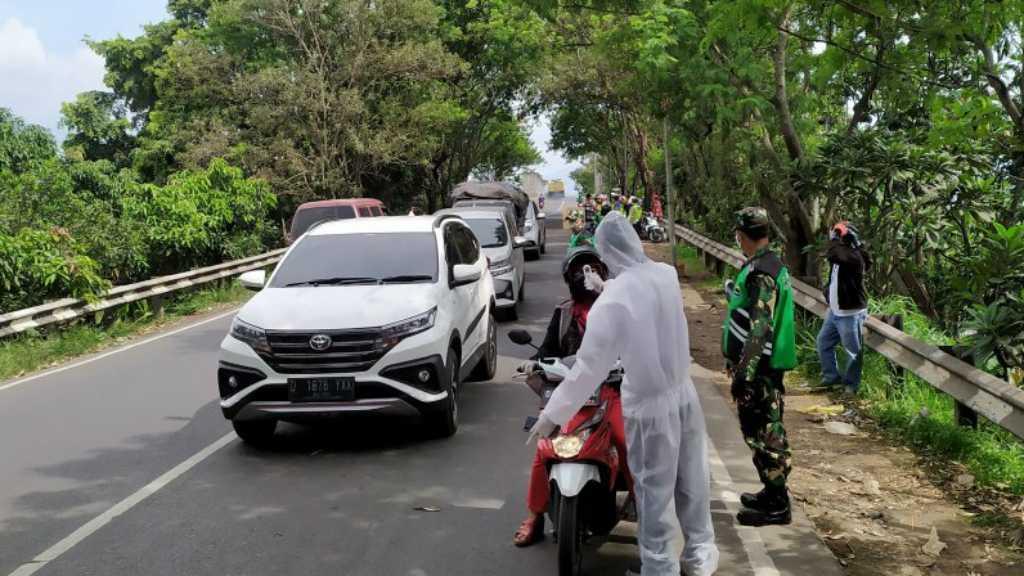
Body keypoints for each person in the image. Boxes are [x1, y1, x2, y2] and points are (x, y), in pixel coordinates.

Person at [528, 212, 719, 576]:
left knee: (654, 492)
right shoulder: (666, 275)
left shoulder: (612, 302)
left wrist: (552, 414)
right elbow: (643, 304)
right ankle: (700, 558)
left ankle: (659, 568)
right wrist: (608, 288)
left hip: (649, 408)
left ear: (606, 254)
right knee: (693, 480)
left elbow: (588, 368)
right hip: (684, 393)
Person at [512, 248, 626, 546]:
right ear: (568, 278)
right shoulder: (563, 313)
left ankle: (645, 508)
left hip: (610, 391)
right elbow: (547, 349)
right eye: (577, 270)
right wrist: (534, 363)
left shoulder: (617, 308)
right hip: (570, 393)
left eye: (591, 268)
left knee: (626, 441)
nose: (585, 275)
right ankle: (534, 516)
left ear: (603, 272)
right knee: (544, 447)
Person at [722, 207, 797, 527]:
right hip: (762, 367)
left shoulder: (762, 273)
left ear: (742, 235)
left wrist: (744, 374)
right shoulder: (767, 264)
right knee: (759, 429)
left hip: (761, 370)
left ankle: (778, 503)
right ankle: (770, 490)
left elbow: (760, 329)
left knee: (764, 431)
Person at [817, 221, 871, 394]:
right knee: (823, 342)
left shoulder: (853, 256)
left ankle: (851, 385)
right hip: (835, 311)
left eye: (838, 235)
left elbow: (833, 254)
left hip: (850, 313)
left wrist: (835, 237)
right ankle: (831, 377)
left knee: (852, 352)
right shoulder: (846, 253)